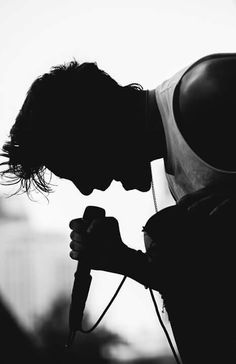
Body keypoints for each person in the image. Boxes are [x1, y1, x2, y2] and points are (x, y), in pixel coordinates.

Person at [1, 52, 236, 363]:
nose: (88, 188)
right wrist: (124, 260)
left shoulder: (204, 92)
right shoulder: (175, 172)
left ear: (95, 131)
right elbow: (206, 292)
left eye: (79, 170)